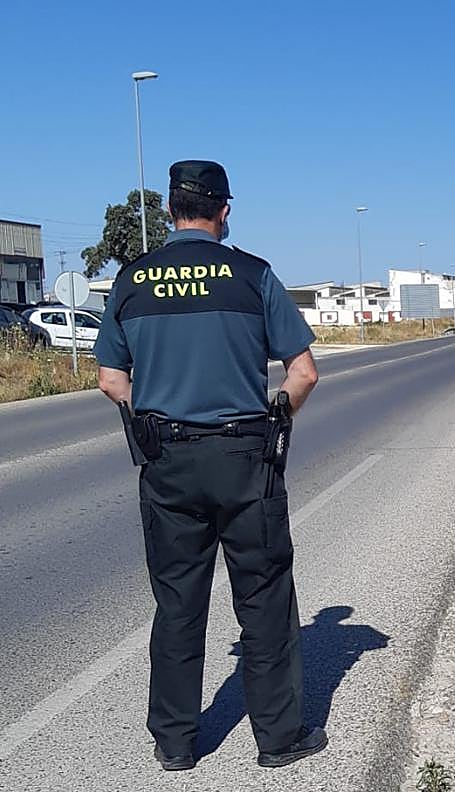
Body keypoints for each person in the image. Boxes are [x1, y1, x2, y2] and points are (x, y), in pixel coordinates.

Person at [94, 160, 325, 771]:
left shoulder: (134, 279)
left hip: (166, 460)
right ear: (223, 210)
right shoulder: (252, 275)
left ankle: (174, 744)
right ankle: (278, 740)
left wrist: (141, 418)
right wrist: (280, 414)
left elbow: (109, 377)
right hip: (246, 457)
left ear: (171, 209)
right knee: (265, 597)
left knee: (177, 605)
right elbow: (303, 372)